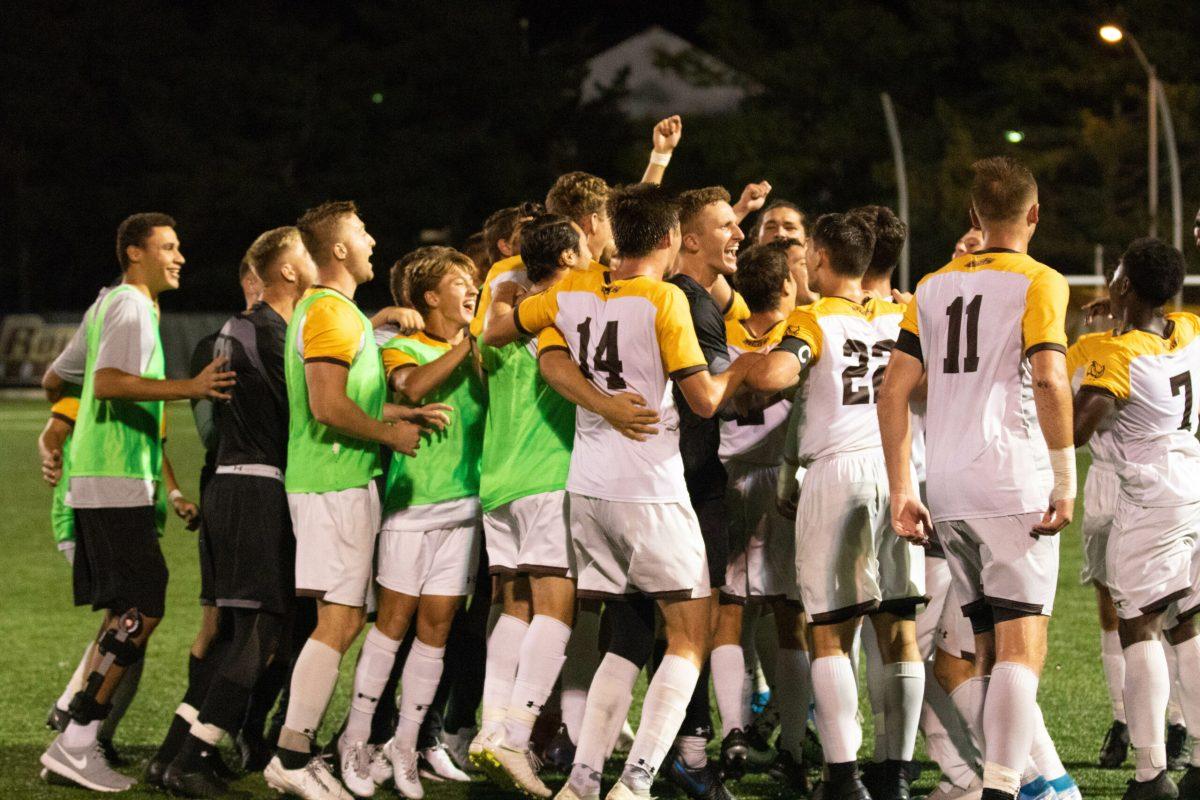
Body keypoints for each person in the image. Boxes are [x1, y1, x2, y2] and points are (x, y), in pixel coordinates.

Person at [484, 183, 760, 800]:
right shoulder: (664, 300)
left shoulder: (570, 288)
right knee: (691, 634)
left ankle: (583, 780)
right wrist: (743, 361)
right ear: (667, 239)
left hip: (588, 488)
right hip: (650, 489)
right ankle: (634, 784)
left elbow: (505, 336)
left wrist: (602, 405)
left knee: (624, 635)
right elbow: (706, 400)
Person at [876, 157, 1075, 800]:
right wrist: (1065, 476)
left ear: (972, 217)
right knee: (1023, 649)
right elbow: (1047, 377)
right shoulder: (1039, 280)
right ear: (1035, 215)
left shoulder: (931, 286)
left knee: (986, 651)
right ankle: (1003, 790)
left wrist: (903, 487)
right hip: (1012, 482)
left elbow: (893, 391)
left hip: (950, 491)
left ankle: (1010, 784)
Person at [39, 213, 234, 792]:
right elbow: (109, 382)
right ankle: (77, 740)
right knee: (142, 608)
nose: (179, 257)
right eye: (167, 247)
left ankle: (74, 731)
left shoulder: (108, 306)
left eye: (179, 247)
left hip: (106, 478)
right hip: (115, 479)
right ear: (133, 253)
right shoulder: (127, 305)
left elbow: (59, 378)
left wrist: (55, 432)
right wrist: (191, 387)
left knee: (128, 608)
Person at [747, 212, 925, 800]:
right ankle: (895, 772)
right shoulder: (904, 315)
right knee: (897, 626)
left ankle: (843, 778)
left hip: (840, 475)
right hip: (900, 472)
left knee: (829, 630)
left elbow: (777, 371)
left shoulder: (814, 318)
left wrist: (752, 364)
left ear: (820, 259)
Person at [264, 201, 425, 800]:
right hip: (333, 484)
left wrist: (399, 414)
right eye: (361, 232)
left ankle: (294, 747)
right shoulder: (331, 313)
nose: (372, 239)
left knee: (344, 619)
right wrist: (391, 434)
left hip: (335, 481)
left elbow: (342, 404)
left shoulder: (336, 312)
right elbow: (327, 406)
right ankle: (291, 753)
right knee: (337, 621)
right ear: (337, 250)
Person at [160, 226, 319, 797]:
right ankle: (195, 758)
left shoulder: (241, 331)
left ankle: (173, 754)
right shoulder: (270, 334)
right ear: (288, 272)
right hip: (256, 490)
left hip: (230, 486)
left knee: (236, 632)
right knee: (260, 632)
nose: (315, 262)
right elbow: (314, 407)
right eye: (306, 255)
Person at [336, 246, 482, 800]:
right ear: (428, 296)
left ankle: (404, 745)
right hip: (411, 502)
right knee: (392, 624)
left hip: (465, 507)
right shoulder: (402, 345)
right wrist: (469, 344)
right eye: (459, 281)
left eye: (473, 280)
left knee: (438, 629)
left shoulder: (475, 351)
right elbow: (411, 388)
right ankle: (356, 740)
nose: (471, 288)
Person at [1073, 237, 1200, 800]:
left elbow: (1078, 429)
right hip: (1191, 481)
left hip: (1148, 495)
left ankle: (1151, 773)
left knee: (1139, 624)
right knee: (1187, 623)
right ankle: (1197, 757)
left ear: (1123, 284)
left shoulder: (1117, 358)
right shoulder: (1189, 329)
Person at [473, 214, 593, 797]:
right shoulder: (566, 304)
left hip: (497, 481)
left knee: (515, 607)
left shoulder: (498, 307)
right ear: (569, 256)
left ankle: (490, 722)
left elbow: (488, 341)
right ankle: (515, 735)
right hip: (549, 471)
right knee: (555, 609)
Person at [712, 242, 808, 792]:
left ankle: (733, 732)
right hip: (780, 483)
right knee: (788, 614)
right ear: (788, 287)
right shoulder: (798, 340)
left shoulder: (720, 337)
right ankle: (793, 747)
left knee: (730, 613)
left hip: (726, 480)